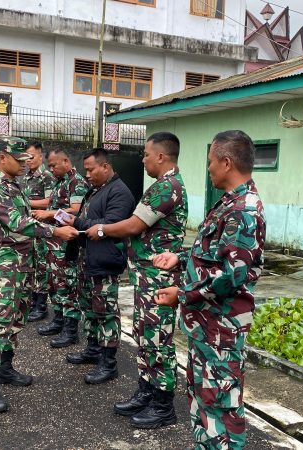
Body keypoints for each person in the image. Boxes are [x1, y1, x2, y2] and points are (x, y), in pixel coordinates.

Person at [153, 130, 266, 449]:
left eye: (210, 162)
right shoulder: (230, 204)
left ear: (226, 162)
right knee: (205, 405)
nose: (208, 168)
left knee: (220, 412)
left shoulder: (243, 210)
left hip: (220, 330)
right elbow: (215, 255)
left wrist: (182, 294)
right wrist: (180, 258)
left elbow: (232, 274)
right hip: (207, 327)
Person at [86, 132, 187, 428]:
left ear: (161, 156)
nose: (142, 160)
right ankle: (146, 391)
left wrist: (102, 229)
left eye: (145, 154)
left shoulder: (168, 187)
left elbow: (133, 225)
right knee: (144, 335)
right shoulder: (161, 185)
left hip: (159, 278)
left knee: (157, 339)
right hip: (147, 276)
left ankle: (163, 405)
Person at [0, 137, 78, 413]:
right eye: (19, 159)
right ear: (2, 158)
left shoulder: (14, 185)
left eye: (26, 159)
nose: (25, 164)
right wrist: (55, 231)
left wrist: (50, 218)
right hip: (5, 265)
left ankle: (5, 368)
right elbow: (17, 222)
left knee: (16, 318)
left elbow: (27, 216)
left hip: (23, 263)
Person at [62, 148, 135, 384]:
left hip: (105, 261)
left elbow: (111, 224)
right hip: (88, 259)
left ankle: (108, 363)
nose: (87, 175)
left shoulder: (120, 192)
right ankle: (93, 350)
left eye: (91, 169)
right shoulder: (96, 189)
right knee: (90, 309)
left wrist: (77, 221)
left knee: (106, 313)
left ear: (105, 166)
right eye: (85, 170)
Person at [32, 149, 89, 348]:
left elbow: (76, 210)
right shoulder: (59, 182)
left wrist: (49, 214)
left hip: (66, 245)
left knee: (67, 286)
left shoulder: (76, 182)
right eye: (49, 166)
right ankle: (58, 321)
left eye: (53, 165)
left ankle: (71, 331)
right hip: (53, 244)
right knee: (54, 284)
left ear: (66, 161)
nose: (51, 169)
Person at [18, 141, 56, 322]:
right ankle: (33, 304)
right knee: (30, 267)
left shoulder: (46, 177)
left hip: (41, 229)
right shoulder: (26, 177)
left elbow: (50, 201)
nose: (28, 160)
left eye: (31, 157)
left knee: (41, 268)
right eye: (26, 157)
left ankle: (41, 307)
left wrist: (26, 203)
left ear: (41, 156)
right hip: (29, 229)